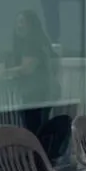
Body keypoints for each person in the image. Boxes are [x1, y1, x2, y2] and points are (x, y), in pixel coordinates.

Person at [9, 9, 58, 137]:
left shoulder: (32, 43)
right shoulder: (39, 41)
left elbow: (27, 69)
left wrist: (3, 73)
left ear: (31, 24)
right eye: (17, 22)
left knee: (34, 133)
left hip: (35, 97)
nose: (19, 26)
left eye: (22, 22)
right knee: (40, 131)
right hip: (44, 94)